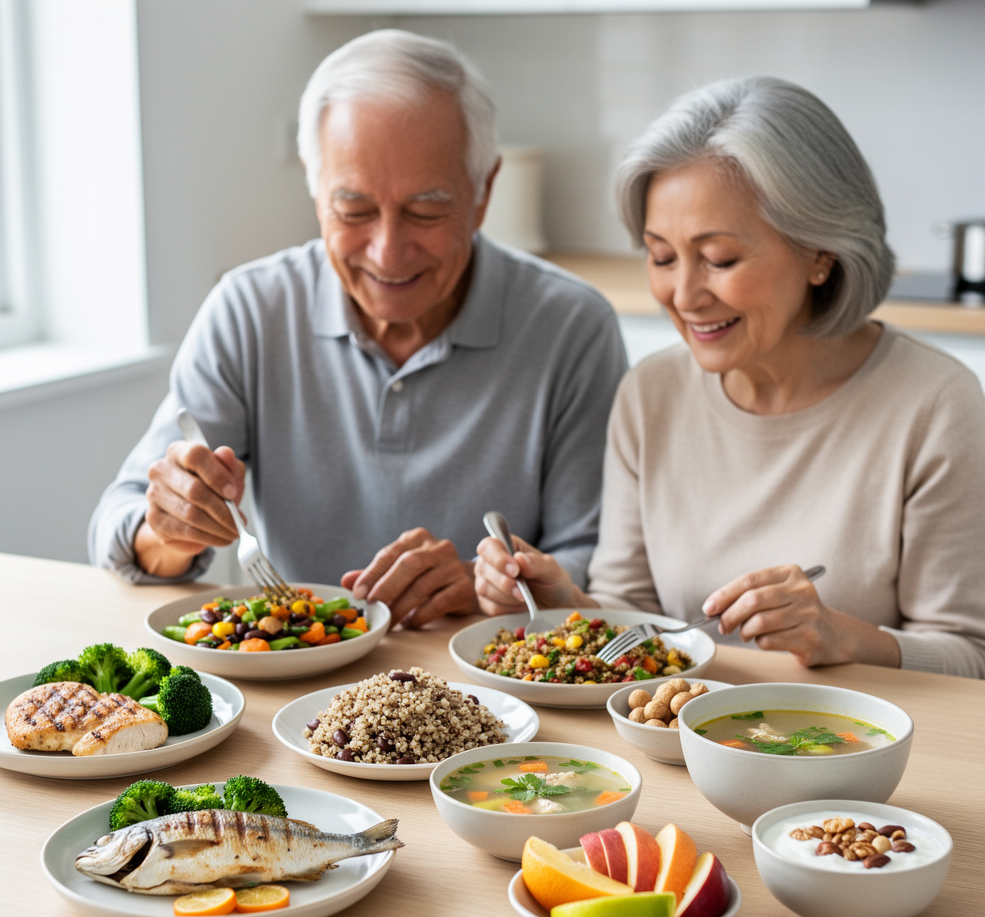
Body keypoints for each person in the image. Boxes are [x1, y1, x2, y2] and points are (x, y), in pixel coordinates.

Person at [89, 29, 627, 628]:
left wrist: (492, 586)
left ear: (484, 193)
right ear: (315, 192)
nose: (388, 252)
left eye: (426, 211)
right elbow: (118, 523)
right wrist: (171, 531)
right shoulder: (249, 309)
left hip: (495, 689)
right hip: (298, 675)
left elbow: (594, 558)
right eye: (354, 211)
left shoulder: (573, 326)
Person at [475, 76, 985, 678]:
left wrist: (840, 637)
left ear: (821, 252)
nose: (684, 295)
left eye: (719, 259)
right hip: (683, 746)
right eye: (661, 256)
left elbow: (968, 657)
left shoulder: (935, 404)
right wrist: (570, 607)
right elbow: (634, 625)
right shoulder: (651, 395)